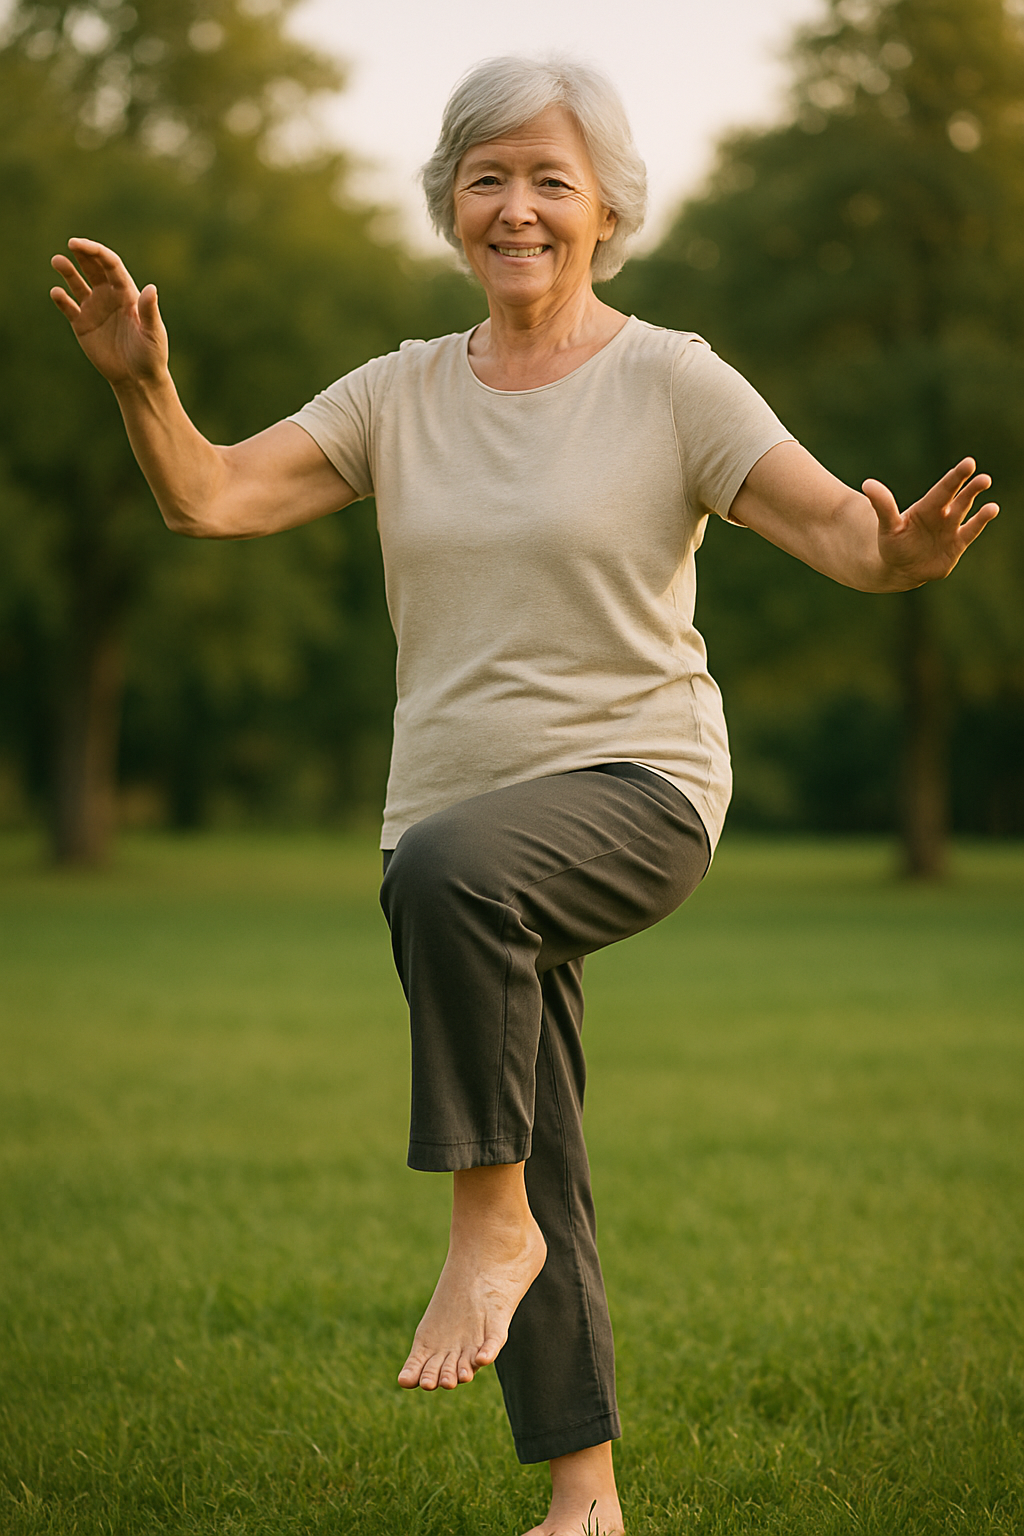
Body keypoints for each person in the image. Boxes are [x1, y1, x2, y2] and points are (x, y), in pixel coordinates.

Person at [50, 53, 997, 1536]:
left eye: (551, 179)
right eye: (487, 177)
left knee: (457, 917)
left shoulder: (670, 377)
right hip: (454, 834)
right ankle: (585, 1498)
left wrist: (903, 555)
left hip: (637, 787)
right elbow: (209, 496)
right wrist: (146, 386)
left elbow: (838, 530)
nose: (518, 208)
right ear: (449, 207)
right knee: (534, 1123)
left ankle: (484, 1232)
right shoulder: (400, 392)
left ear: (608, 206)